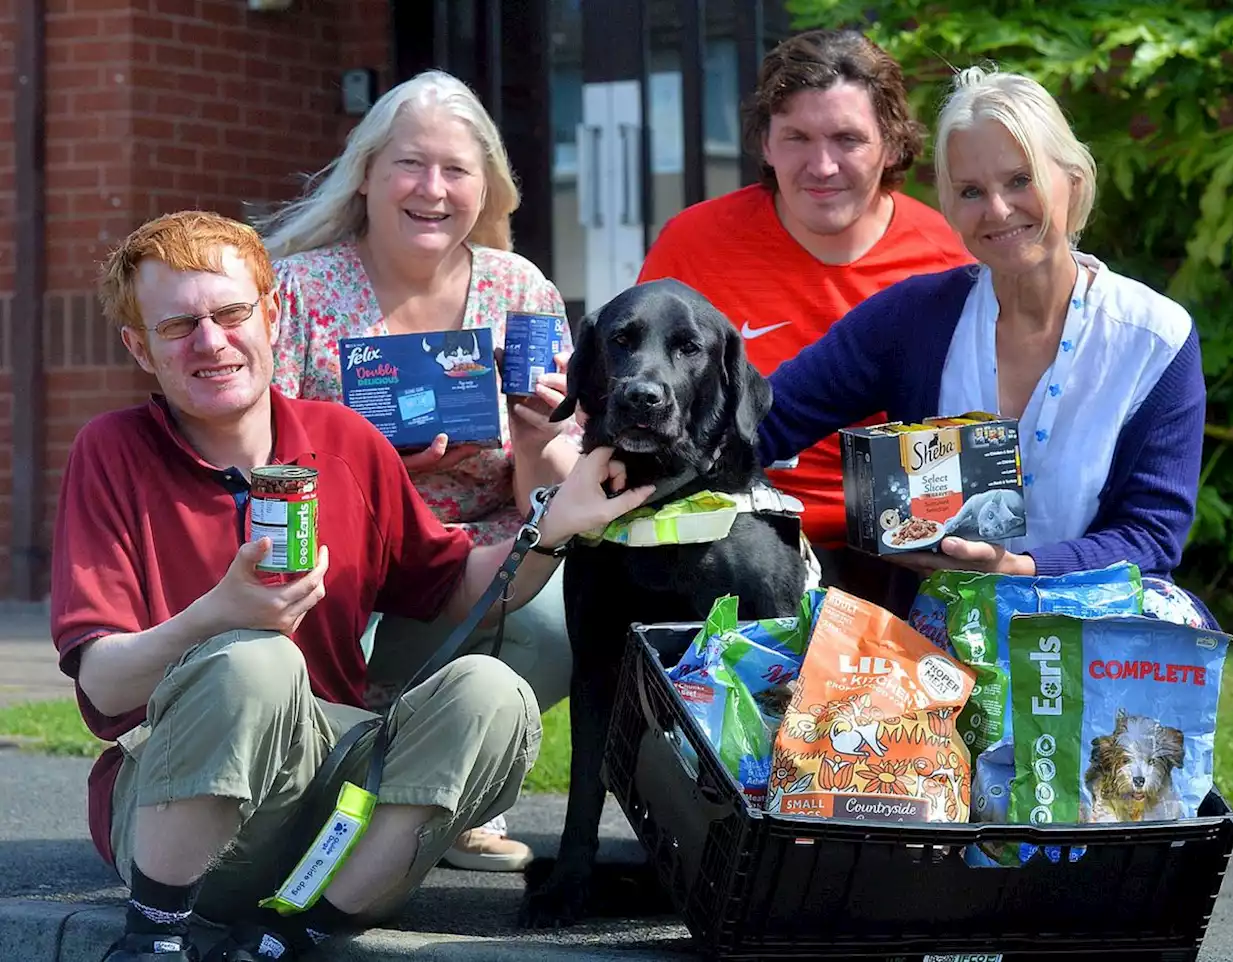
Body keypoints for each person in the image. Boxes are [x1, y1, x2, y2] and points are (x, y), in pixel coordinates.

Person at [51, 211, 654, 962]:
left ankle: (293, 935)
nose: (211, 342)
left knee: (491, 691)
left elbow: (453, 586)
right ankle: (153, 940)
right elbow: (104, 686)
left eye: (232, 313)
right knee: (254, 660)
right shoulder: (111, 450)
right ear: (140, 347)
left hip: (337, 818)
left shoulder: (345, 439)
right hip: (174, 820)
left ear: (270, 314)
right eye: (178, 326)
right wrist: (219, 616)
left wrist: (552, 520)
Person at [258, 70, 577, 871]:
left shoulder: (519, 290)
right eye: (409, 164)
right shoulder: (297, 291)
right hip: (348, 562)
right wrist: (364, 465)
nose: (431, 189)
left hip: (484, 554)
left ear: (486, 187)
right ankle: (337, 791)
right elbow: (253, 463)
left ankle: (446, 798)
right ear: (366, 173)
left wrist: (540, 433)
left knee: (555, 618)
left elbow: (547, 496)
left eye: (455, 170)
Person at [755, 67, 1212, 622]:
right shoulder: (911, 318)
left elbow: (1150, 539)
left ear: (1072, 179)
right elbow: (764, 421)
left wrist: (1017, 570)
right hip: (940, 644)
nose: (997, 210)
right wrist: (634, 452)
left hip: (1099, 644)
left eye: (1020, 180)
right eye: (971, 191)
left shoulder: (1155, 339)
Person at [637, 28, 973, 601]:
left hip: (904, 552)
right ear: (765, 144)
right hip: (728, 532)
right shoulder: (694, 244)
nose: (822, 166)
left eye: (848, 139)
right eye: (796, 137)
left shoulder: (949, 254)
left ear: (891, 144)